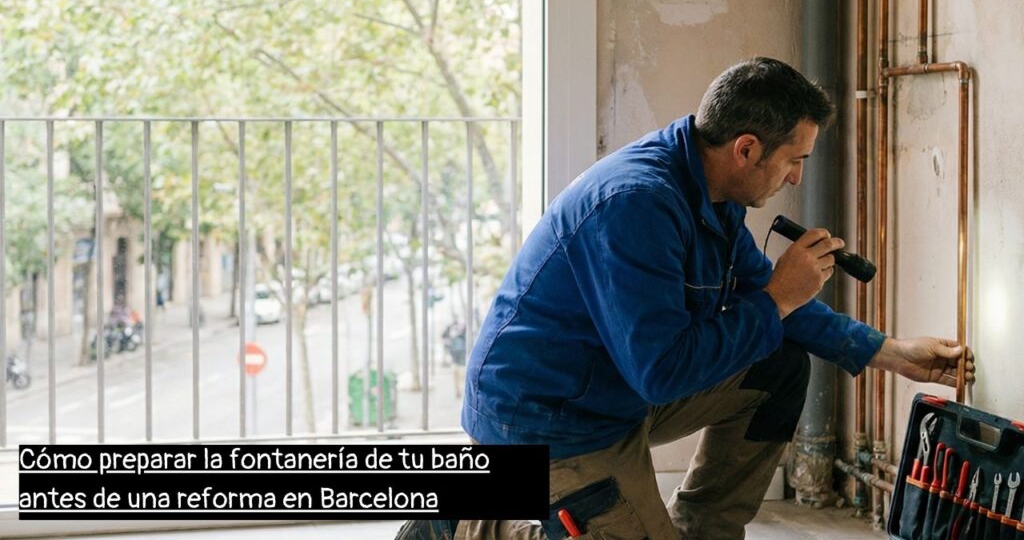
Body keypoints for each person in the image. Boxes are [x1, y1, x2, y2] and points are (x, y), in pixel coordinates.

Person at [395, 57, 975, 540]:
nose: (797, 178)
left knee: (775, 367)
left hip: (615, 387)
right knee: (758, 332)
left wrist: (891, 353)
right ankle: (464, 521)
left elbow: (761, 297)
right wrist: (776, 299)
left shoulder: (711, 185)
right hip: (552, 417)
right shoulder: (636, 205)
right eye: (794, 159)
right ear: (747, 149)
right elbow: (664, 371)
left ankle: (702, 530)